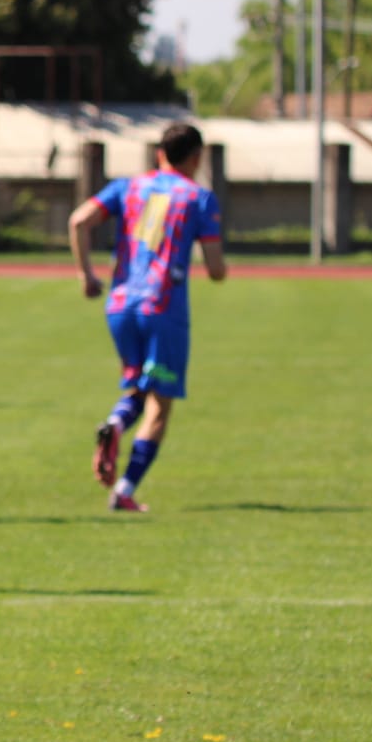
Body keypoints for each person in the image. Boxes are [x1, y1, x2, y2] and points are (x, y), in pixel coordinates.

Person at [69, 122, 227, 513]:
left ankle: (116, 425)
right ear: (197, 158)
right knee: (160, 405)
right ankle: (124, 490)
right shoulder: (199, 197)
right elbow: (216, 268)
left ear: (159, 154)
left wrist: (86, 274)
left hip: (121, 304)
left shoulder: (128, 187)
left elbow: (78, 221)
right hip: (164, 307)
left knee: (138, 389)